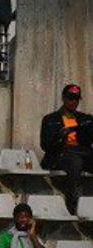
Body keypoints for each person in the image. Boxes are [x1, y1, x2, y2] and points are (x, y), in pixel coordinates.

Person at [40, 84, 93, 214]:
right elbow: (45, 145)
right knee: (74, 162)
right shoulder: (50, 119)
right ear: (63, 98)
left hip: (83, 151)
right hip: (61, 154)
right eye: (70, 98)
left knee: (79, 158)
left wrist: (85, 130)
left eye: (76, 99)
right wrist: (60, 136)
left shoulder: (85, 118)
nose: (73, 102)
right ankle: (72, 202)